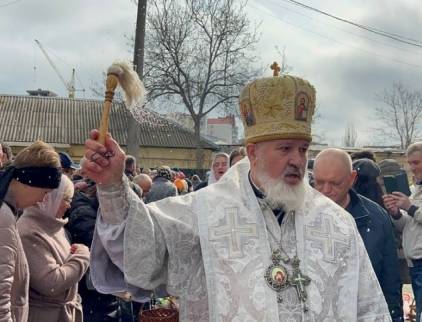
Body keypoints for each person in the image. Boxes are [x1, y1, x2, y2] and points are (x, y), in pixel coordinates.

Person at [83, 70, 390, 321]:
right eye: (285, 148)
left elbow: (369, 308)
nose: (298, 159)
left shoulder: (336, 222)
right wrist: (112, 186)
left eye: (303, 149)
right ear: (253, 152)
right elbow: (141, 250)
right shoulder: (204, 212)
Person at [313, 148, 403, 321]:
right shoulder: (299, 214)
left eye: (334, 183)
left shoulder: (376, 217)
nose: (325, 190)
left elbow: (389, 275)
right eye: (319, 182)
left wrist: (394, 316)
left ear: (352, 178)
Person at [0, 140, 62, 322]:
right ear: (29, 183)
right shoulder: (3, 217)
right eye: (45, 192)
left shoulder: (8, 211)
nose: (42, 201)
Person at [17, 174, 89, 322]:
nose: (69, 205)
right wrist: (82, 257)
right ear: (50, 198)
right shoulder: (29, 231)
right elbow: (52, 283)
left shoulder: (52, 224)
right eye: (66, 199)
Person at [383, 141, 422, 322]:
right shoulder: (413, 190)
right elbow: (406, 226)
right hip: (413, 264)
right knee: (416, 314)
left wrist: (410, 207)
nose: (412, 168)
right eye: (410, 163)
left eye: (417, 162)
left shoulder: (412, 197)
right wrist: (396, 213)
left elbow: (415, 213)